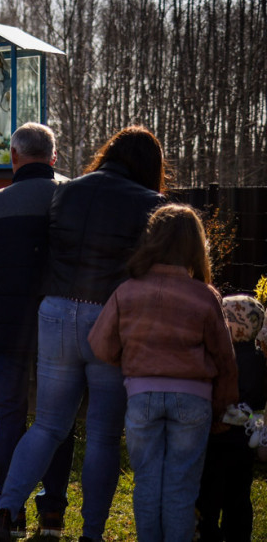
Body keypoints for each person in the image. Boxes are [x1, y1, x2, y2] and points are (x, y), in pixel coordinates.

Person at [0, 125, 166, 542]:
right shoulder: (150, 204)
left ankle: (4, 513)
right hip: (108, 319)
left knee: (46, 425)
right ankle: (91, 533)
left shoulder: (69, 191)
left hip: (56, 311)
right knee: (102, 434)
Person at [89, 204, 238, 542]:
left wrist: (135, 364)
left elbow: (101, 345)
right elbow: (226, 360)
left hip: (142, 397)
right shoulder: (205, 296)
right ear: (196, 247)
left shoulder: (127, 291)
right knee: (181, 488)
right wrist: (224, 408)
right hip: (193, 401)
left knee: (147, 484)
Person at [0, 123, 75, 538]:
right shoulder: (72, 196)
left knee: (9, 415)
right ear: (54, 157)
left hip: (7, 325)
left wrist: (4, 284)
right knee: (57, 420)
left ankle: (10, 510)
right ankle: (53, 512)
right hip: (62, 326)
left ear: (12, 156)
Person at [195, 294, 266, 542]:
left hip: (215, 438)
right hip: (244, 442)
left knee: (209, 497)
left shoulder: (218, 356)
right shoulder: (259, 360)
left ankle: (207, 535)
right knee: (239, 499)